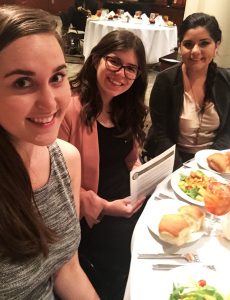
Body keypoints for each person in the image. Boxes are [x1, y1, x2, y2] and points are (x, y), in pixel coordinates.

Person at [0, 5, 99, 299]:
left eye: (57, 78)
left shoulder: (66, 159)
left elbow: (66, 268)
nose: (50, 103)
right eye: (22, 82)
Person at [59, 30, 148, 299]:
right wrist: (108, 208)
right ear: (96, 58)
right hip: (92, 217)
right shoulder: (69, 109)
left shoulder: (125, 107)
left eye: (131, 68)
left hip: (127, 200)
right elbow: (58, 187)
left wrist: (140, 173)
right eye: (114, 62)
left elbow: (129, 159)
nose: (121, 74)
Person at [143, 12, 230, 170]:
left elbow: (228, 130)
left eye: (204, 43)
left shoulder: (226, 81)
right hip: (173, 159)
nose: (195, 51)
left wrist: (210, 163)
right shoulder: (165, 81)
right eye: (188, 44)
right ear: (180, 45)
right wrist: (183, 170)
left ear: (217, 45)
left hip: (213, 160)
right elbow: (161, 134)